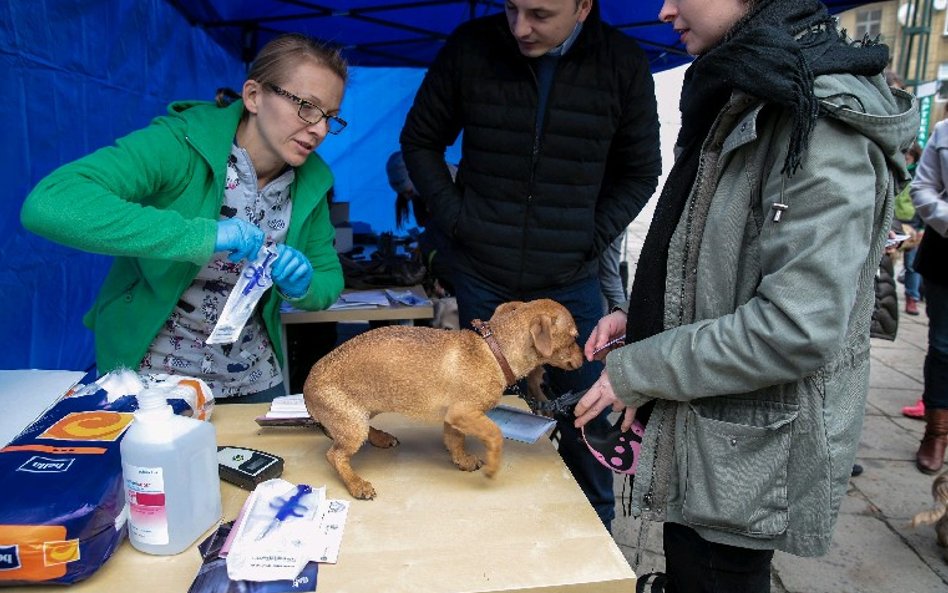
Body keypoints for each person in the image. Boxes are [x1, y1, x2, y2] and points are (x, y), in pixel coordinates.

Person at [572, 0, 916, 590]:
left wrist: (641, 366)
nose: (663, 10)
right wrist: (647, 316)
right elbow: (726, 257)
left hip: (742, 461)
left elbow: (794, 327)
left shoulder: (818, 116)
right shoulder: (751, 85)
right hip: (713, 441)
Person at [400, 0, 662, 530]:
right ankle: (498, 538)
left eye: (540, 14)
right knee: (490, 411)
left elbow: (642, 171)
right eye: (512, 8)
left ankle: (594, 538)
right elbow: (420, 140)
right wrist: (457, 221)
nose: (521, 27)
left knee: (587, 414)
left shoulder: (622, 62)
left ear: (584, 6)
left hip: (570, 280)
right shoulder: (471, 46)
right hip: (483, 275)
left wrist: (588, 238)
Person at [20, 33, 348, 403]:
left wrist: (301, 285)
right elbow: (51, 202)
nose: (319, 129)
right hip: (152, 379)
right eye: (307, 106)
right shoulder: (180, 144)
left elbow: (328, 281)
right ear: (254, 95)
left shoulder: (312, 180)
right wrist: (202, 236)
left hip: (254, 377)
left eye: (330, 118)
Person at [908, 118, 948, 474]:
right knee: (943, 347)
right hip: (946, 251)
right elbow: (922, 189)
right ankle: (937, 432)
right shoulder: (944, 130)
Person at [386, 150, 458, 294]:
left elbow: (450, 233)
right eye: (404, 194)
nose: (407, 197)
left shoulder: (448, 185)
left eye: (409, 192)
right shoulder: (421, 189)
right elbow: (425, 224)